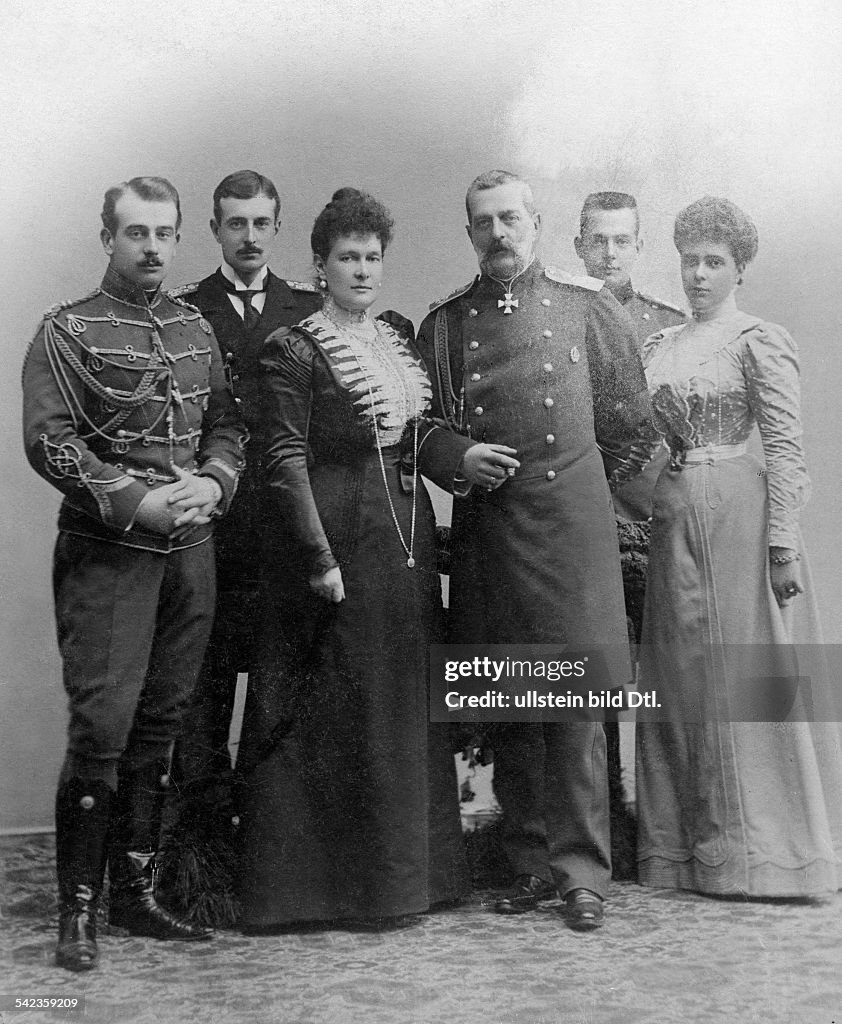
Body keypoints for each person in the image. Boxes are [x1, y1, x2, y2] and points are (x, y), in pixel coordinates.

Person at [415, 170, 651, 930]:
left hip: (573, 532)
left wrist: (577, 492)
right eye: (483, 222)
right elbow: (416, 428)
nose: (499, 233)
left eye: (510, 218)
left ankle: (582, 871)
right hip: (492, 529)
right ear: (470, 233)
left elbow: (629, 424)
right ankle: (525, 862)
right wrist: (459, 458)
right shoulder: (446, 326)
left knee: (577, 706)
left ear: (538, 222)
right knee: (512, 695)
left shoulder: (589, 311)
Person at [22, 176, 247, 971]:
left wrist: (213, 482)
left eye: (164, 234)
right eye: (136, 233)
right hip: (109, 556)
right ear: (108, 238)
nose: (152, 247)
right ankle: (76, 911)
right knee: (104, 728)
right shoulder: (67, 331)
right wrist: (136, 503)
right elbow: (50, 442)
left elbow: (225, 422)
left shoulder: (192, 326)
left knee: (166, 722)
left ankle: (135, 893)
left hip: (192, 553)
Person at [235, 188, 470, 930]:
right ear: (320, 264)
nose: (362, 270)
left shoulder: (395, 336)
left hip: (406, 535)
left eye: (372, 257)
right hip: (339, 539)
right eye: (347, 258)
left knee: (401, 697)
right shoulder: (295, 348)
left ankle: (411, 880)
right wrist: (317, 554)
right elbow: (282, 459)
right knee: (347, 702)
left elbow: (418, 430)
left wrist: (464, 461)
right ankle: (328, 890)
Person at [630, 196, 842, 896]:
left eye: (713, 263)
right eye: (689, 261)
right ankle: (689, 853)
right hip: (675, 511)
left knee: (747, 674)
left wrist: (783, 543)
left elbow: (785, 446)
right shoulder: (659, 344)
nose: (697, 275)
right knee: (681, 674)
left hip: (741, 515)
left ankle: (767, 855)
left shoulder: (759, 338)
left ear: (739, 270)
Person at [170, 171, 320, 796]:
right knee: (201, 687)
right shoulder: (181, 311)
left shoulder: (310, 312)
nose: (250, 236)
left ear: (277, 228)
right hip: (211, 530)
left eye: (261, 223)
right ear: (215, 230)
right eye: (236, 223)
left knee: (278, 686)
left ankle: (265, 848)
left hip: (285, 530)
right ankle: (196, 852)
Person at [574, 192, 687, 874]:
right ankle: (604, 818)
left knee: (670, 674)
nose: (611, 253)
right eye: (598, 241)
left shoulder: (667, 329)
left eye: (623, 241)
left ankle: (670, 826)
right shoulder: (560, 318)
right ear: (579, 244)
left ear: (639, 247)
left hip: (656, 526)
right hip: (586, 528)